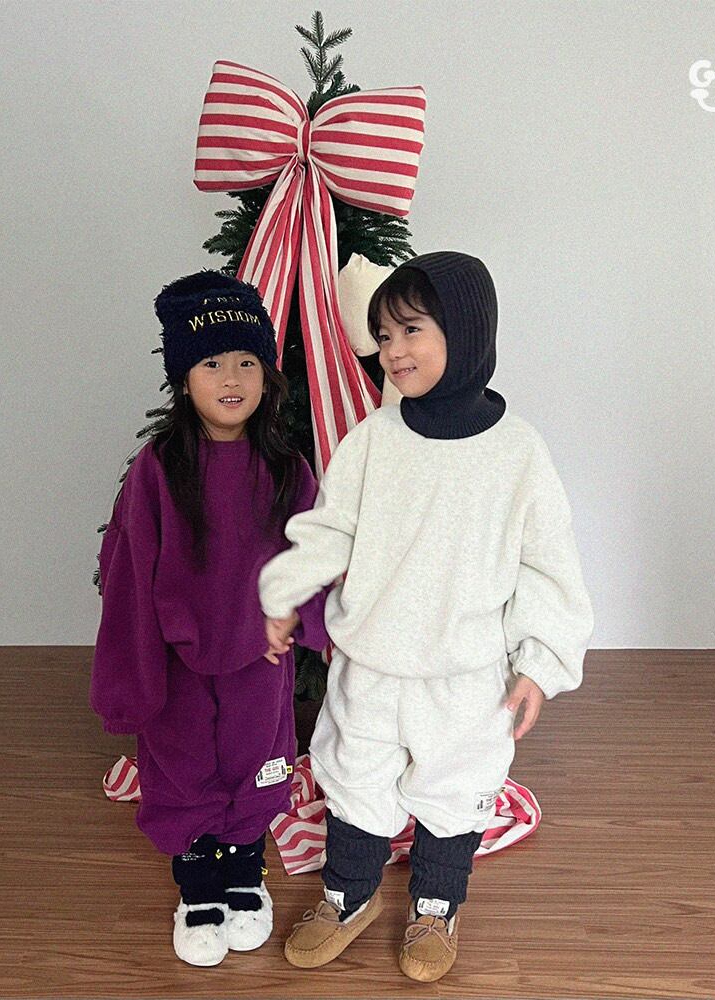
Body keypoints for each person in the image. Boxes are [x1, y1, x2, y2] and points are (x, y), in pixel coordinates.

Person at [259, 252, 595, 982]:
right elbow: (330, 530)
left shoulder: (518, 453)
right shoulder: (373, 440)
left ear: (465, 330)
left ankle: (437, 905)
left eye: (411, 329)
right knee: (354, 776)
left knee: (456, 787)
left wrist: (539, 664)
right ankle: (347, 896)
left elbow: (547, 565)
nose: (393, 350)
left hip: (467, 673)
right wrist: (284, 591)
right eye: (384, 335)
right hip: (372, 662)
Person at [90, 270, 329, 967]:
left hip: (261, 655)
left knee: (258, 759)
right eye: (212, 362)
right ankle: (198, 885)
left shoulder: (286, 467)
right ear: (184, 378)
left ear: (267, 375)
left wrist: (306, 620)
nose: (231, 378)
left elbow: (314, 552)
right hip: (179, 654)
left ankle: (244, 870)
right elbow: (130, 568)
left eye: (247, 362)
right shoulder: (159, 467)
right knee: (183, 760)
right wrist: (132, 671)